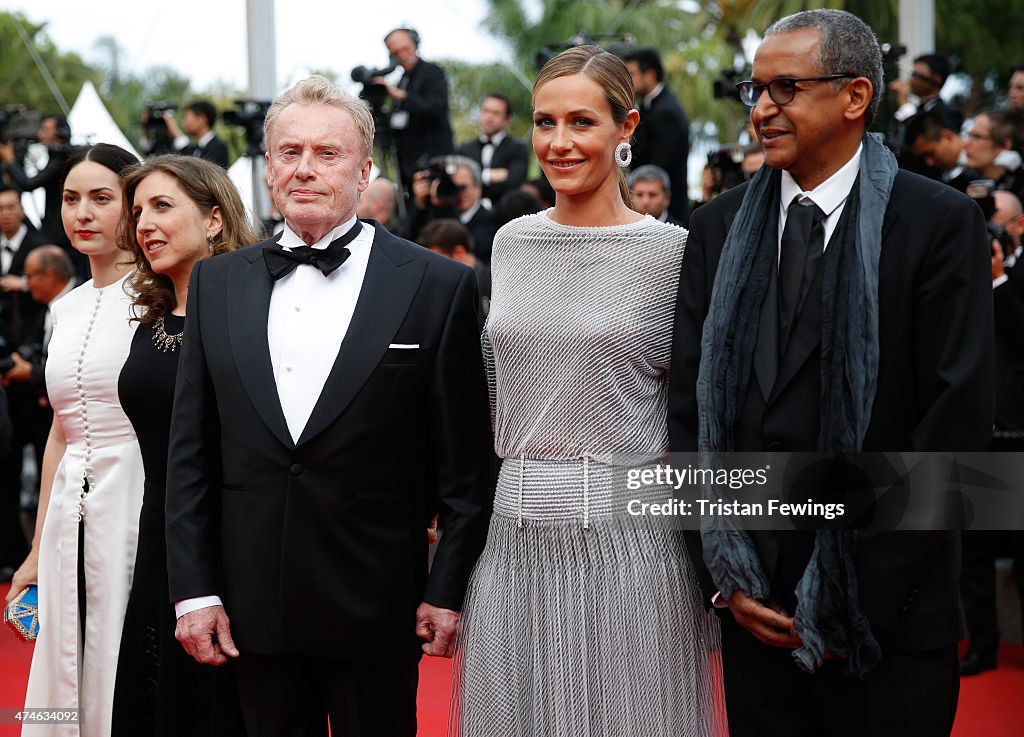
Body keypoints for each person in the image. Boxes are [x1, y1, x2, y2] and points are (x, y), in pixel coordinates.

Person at [669, 10, 992, 737]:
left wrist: (855, 589)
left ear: (855, 96)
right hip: (754, 616)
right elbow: (686, 410)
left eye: (786, 87)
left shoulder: (938, 222)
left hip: (890, 616)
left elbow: (954, 421)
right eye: (754, 91)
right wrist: (723, 577)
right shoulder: (714, 229)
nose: (763, 109)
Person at [164, 75, 491, 737]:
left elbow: (466, 470)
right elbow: (190, 454)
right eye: (289, 152)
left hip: (379, 604)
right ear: (267, 169)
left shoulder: (437, 285)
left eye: (327, 153)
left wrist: (446, 587)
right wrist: (195, 589)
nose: (305, 168)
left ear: (365, 169)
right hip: (252, 604)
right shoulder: (216, 282)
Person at [455, 45, 722, 736]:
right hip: (511, 542)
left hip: (628, 543)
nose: (559, 142)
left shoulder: (671, 252)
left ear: (626, 126)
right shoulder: (510, 241)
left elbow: (699, 409)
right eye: (545, 123)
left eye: (581, 122)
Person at [109, 155, 259, 736]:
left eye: (163, 206)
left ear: (215, 220)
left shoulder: (255, 317)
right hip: (158, 538)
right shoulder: (150, 321)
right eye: (138, 210)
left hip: (233, 543)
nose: (144, 223)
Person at [5, 143, 145, 737]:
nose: (82, 213)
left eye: (100, 198)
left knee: (122, 666)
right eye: (69, 199)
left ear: (133, 207)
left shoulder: (163, 298)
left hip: (139, 504)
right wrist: (36, 550)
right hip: (67, 513)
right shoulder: (62, 308)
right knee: (61, 665)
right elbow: (59, 437)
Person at [373, 27, 454, 191]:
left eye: (405, 48)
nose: (402, 55)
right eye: (396, 52)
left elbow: (435, 107)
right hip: (408, 164)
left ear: (415, 44)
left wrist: (402, 96)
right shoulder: (403, 80)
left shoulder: (431, 72)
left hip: (433, 160)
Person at [623, 48, 691, 224]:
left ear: (650, 75)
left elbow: (659, 167)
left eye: (632, 74)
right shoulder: (649, 106)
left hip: (665, 215)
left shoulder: (666, 111)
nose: (628, 81)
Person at [0, 115, 72, 245]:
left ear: (61, 132)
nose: (40, 135)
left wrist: (10, 160)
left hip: (60, 234)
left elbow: (28, 184)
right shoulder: (58, 156)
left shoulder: (61, 158)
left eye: (45, 130)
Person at [457, 94, 530, 205]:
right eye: (485, 111)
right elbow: (459, 182)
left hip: (503, 213)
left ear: (507, 120)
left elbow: (514, 185)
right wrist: (488, 175)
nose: (489, 117)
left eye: (496, 113)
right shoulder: (465, 149)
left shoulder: (518, 149)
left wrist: (473, 179)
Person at [964, 108, 1024, 203]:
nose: (966, 143)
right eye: (969, 135)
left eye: (976, 137)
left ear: (1005, 145)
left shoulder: (1020, 189)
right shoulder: (966, 181)